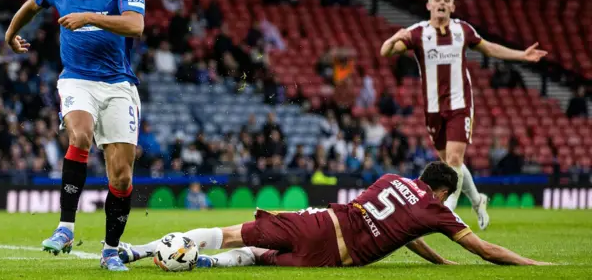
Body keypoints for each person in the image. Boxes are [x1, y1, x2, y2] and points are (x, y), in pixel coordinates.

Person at [4, 0, 145, 271]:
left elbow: (135, 25)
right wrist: (10, 36)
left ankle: (110, 251)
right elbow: (30, 7)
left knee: (122, 177)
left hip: (118, 85)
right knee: (79, 135)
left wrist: (90, 17)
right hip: (77, 79)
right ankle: (65, 228)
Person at [115, 162, 550, 268]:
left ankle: (135, 251)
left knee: (227, 233)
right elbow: (485, 250)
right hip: (331, 253)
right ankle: (203, 265)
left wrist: (437, 260)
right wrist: (533, 263)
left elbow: (402, 230)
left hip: (320, 219)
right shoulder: (434, 210)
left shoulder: (390, 177)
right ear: (442, 191)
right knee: (255, 258)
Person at [379, 0, 547, 230]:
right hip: (433, 107)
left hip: (460, 104)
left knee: (455, 158)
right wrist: (395, 37)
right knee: (449, 161)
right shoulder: (417, 33)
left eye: (447, 0)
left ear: (453, 7)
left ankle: (448, 211)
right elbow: (385, 53)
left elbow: (489, 48)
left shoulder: (462, 30)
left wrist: (522, 55)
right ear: (428, 5)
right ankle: (478, 200)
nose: (442, 3)